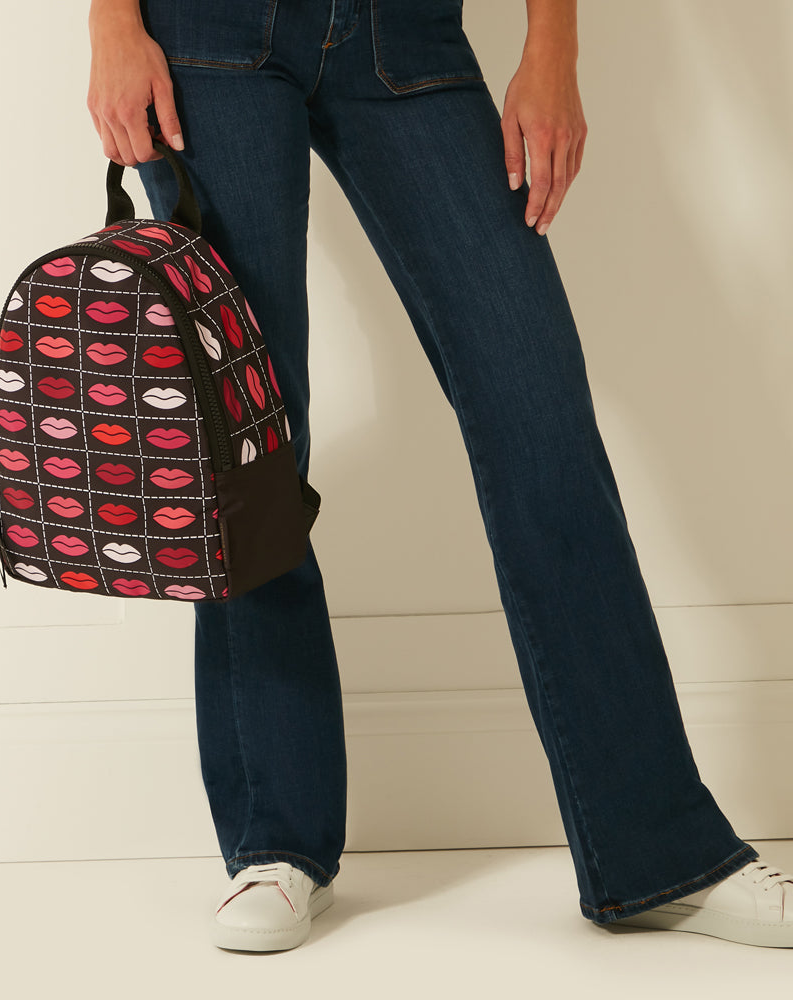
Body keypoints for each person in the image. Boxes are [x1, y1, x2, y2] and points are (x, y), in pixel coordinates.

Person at [87, 0, 792, 951]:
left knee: (538, 414)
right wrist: (111, 22)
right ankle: (279, 841)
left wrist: (553, 47)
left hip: (402, 33)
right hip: (210, 34)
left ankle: (657, 852)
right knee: (249, 445)